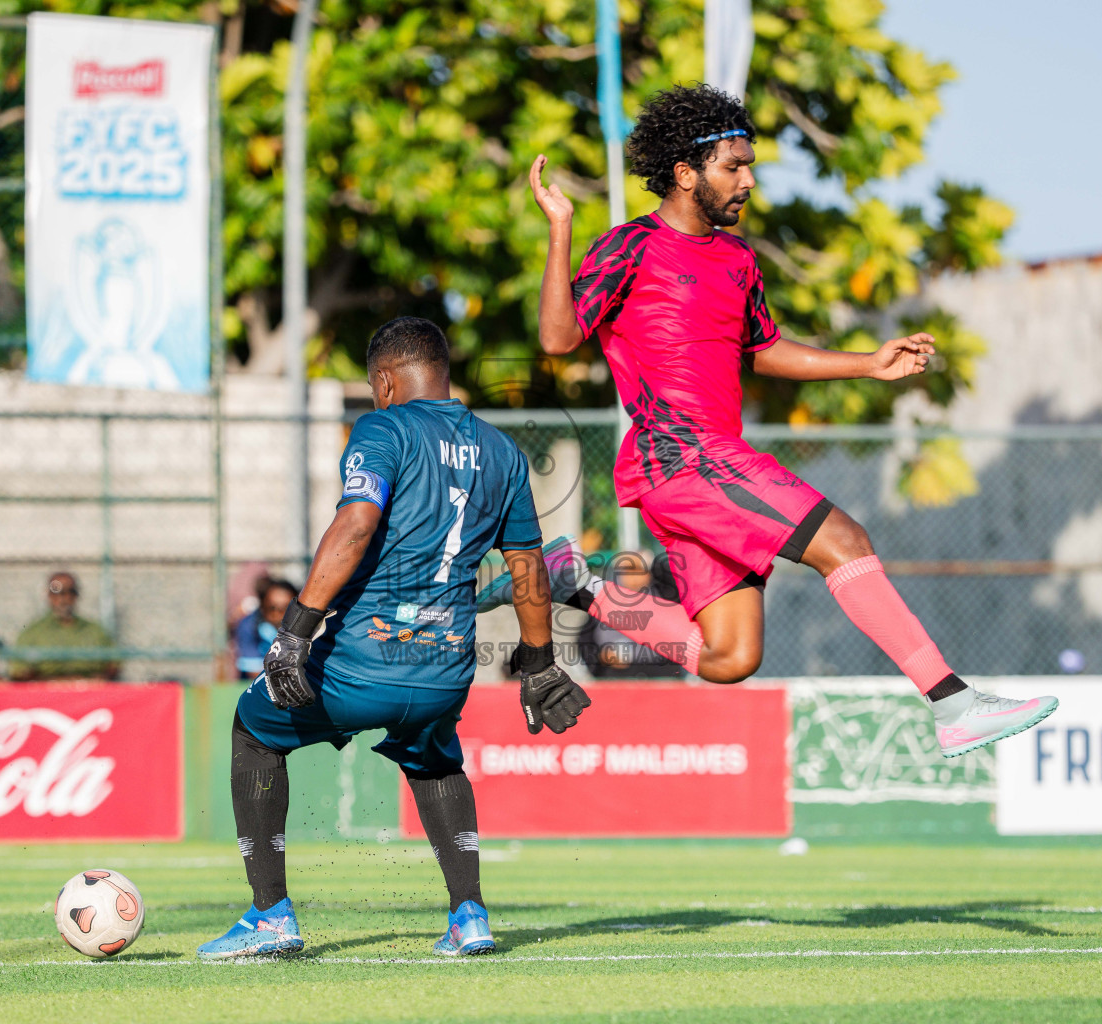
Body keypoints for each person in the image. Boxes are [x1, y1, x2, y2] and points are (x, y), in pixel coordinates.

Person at [493, 84, 1055, 759]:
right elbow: (558, 338)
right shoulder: (630, 246)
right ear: (685, 173)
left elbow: (761, 349)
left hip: (705, 464)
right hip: (682, 457)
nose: (749, 181)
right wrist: (560, 229)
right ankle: (953, 704)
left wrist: (867, 364)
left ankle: (574, 582)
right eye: (734, 167)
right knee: (843, 539)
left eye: (750, 166)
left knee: (731, 656)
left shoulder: (738, 259)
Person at [197, 317, 591, 960]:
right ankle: (469, 915)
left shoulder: (383, 428)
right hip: (445, 672)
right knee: (433, 757)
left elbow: (356, 523)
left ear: (384, 382)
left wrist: (294, 633)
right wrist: (540, 664)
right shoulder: (502, 451)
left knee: (254, 729)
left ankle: (269, 916)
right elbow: (528, 568)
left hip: (363, 660)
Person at [10, 572, 118, 681]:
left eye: (70, 592)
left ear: (77, 595)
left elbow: (114, 664)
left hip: (89, 690)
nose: (64, 598)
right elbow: (19, 671)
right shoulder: (32, 633)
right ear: (48, 595)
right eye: (57, 591)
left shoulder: (95, 631)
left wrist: (97, 681)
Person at [229, 576, 299, 680]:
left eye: (286, 608)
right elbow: (254, 672)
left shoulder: (306, 628)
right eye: (272, 608)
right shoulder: (249, 626)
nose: (278, 614)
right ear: (262, 605)